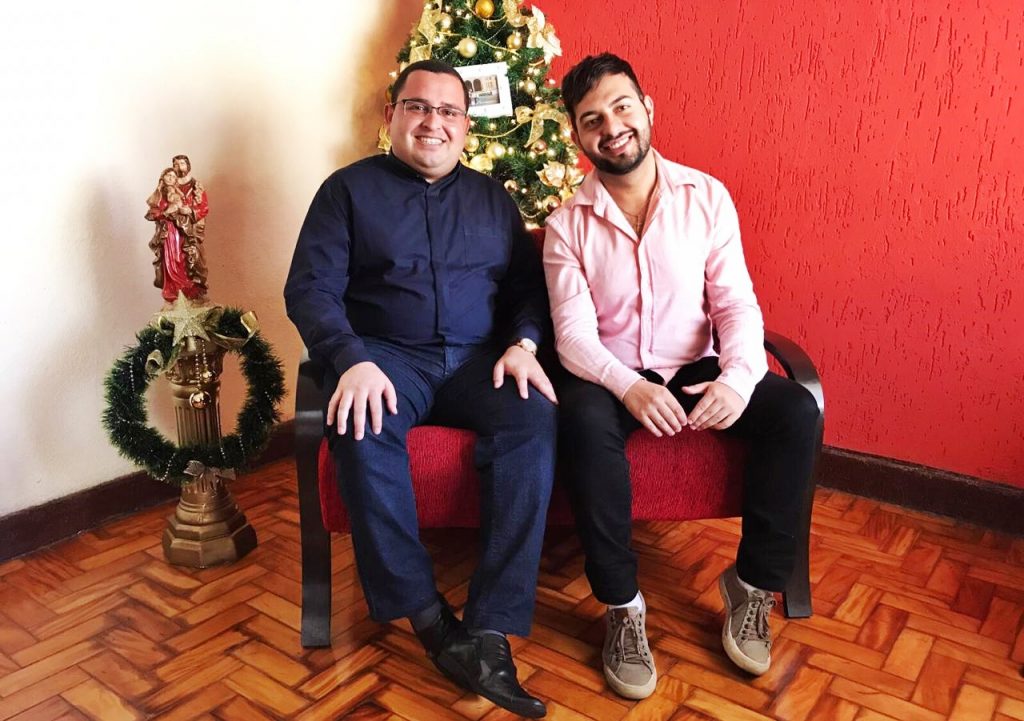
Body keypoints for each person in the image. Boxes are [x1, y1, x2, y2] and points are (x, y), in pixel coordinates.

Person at [284, 59, 557, 718]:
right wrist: (349, 359)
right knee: (361, 425)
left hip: (479, 361)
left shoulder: (493, 199)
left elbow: (528, 289)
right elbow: (310, 288)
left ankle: (488, 630)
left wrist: (523, 344)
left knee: (532, 417)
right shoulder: (346, 191)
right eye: (418, 106)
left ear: (466, 126)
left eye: (448, 111)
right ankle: (431, 621)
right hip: (386, 358)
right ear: (392, 116)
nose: (433, 121)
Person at [544, 53, 819, 698]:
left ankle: (752, 586)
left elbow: (735, 304)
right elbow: (573, 337)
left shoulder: (707, 197)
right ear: (577, 135)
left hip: (698, 368)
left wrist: (739, 378)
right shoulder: (565, 225)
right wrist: (628, 386)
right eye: (591, 119)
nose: (611, 127)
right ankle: (621, 607)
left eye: (621, 107)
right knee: (581, 421)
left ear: (647, 109)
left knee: (795, 411)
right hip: (612, 374)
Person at [146, 168, 202, 302]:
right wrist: (166, 212)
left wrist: (185, 211)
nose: (171, 178)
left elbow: (191, 211)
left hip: (181, 230)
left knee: (182, 257)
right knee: (170, 258)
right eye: (168, 175)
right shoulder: (158, 195)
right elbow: (151, 214)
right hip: (168, 231)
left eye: (173, 176)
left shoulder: (179, 194)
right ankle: (172, 289)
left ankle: (185, 288)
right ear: (163, 177)